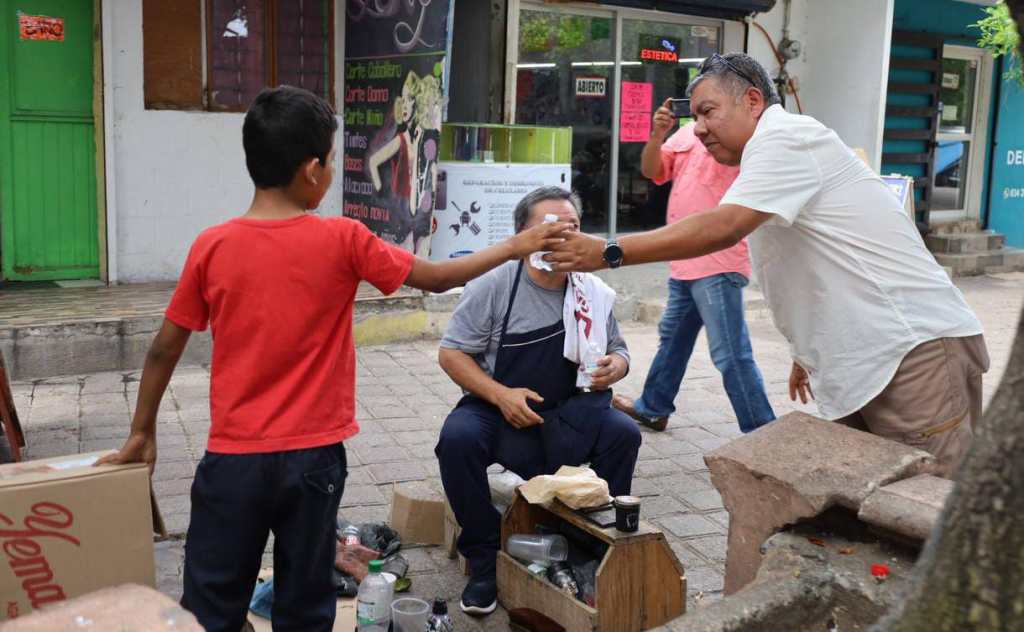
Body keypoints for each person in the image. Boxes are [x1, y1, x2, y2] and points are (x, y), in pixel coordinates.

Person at [97, 86, 568, 632]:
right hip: (313, 461)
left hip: (233, 461)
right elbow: (439, 278)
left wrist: (142, 431)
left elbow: (162, 348)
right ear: (313, 169)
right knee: (305, 605)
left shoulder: (212, 245)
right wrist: (518, 244)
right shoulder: (343, 239)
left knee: (211, 605)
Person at [546, 53, 988, 478]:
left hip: (912, 354)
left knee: (925, 510)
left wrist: (608, 251)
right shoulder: (765, 154)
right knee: (873, 509)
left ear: (753, 101)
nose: (698, 129)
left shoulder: (786, 136)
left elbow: (725, 225)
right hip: (870, 359)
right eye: (693, 117)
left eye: (708, 112)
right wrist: (806, 350)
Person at [435, 186, 642, 616]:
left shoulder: (591, 292)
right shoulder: (494, 285)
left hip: (570, 411)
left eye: (573, 228)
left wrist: (616, 368)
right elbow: (451, 353)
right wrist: (499, 394)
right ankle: (484, 557)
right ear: (522, 236)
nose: (564, 237)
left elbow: (620, 350)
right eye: (550, 228)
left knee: (623, 434)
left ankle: (588, 549)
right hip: (502, 408)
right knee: (457, 438)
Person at [613, 116, 774, 433]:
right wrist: (657, 135)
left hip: (717, 261)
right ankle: (653, 407)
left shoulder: (738, 133)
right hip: (684, 259)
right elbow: (651, 171)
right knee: (672, 339)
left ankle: (762, 431)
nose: (701, 114)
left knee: (730, 352)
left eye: (709, 104)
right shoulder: (687, 132)